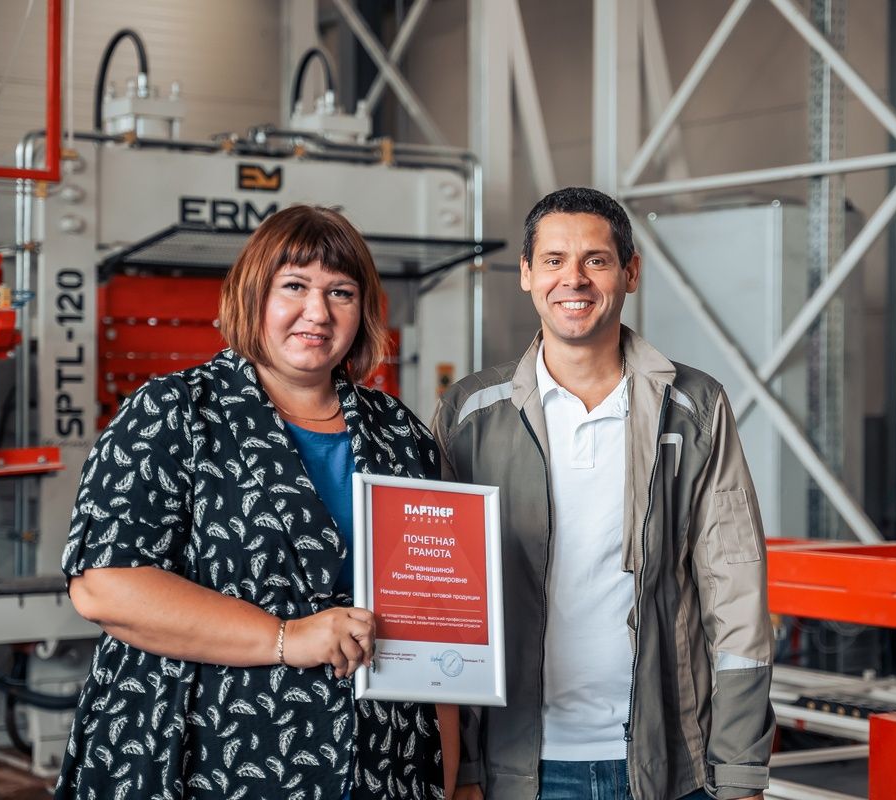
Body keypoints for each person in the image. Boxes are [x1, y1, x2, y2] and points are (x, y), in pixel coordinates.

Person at [56, 205, 458, 799]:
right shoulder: (175, 412)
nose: (317, 312)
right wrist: (285, 636)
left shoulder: (399, 434)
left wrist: (454, 774)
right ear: (253, 297)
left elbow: (435, 611)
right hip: (204, 755)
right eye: (294, 287)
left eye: (341, 293)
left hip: (379, 761)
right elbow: (104, 585)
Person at [432, 187, 775, 800]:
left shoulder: (693, 408)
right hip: (520, 768)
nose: (574, 279)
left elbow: (737, 595)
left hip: (669, 766)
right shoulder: (470, 414)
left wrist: (740, 767)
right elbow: (444, 596)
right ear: (527, 274)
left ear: (630, 273)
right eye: (554, 260)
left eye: (596, 260)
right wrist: (467, 765)